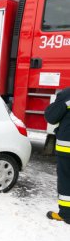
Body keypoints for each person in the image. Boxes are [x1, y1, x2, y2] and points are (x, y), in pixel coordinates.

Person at [44, 87, 70, 224]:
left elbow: (51, 117)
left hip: (68, 147)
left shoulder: (67, 94)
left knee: (66, 179)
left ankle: (66, 214)